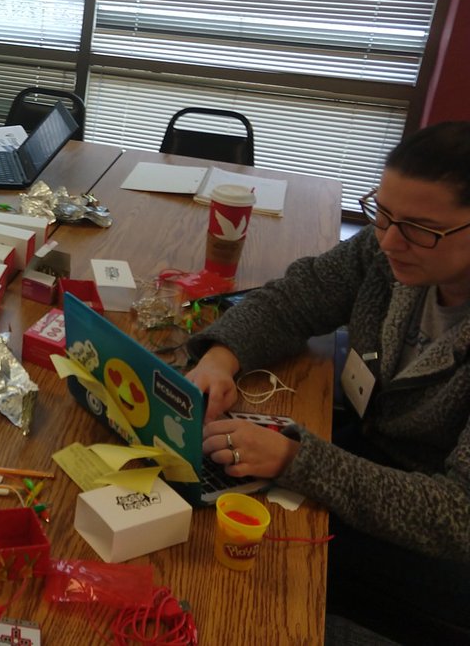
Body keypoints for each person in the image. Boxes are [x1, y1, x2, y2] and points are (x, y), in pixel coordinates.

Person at [186, 121, 470, 641]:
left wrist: (300, 460)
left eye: (419, 228)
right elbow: (299, 295)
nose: (387, 240)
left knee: (230, 571)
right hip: (364, 455)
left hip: (435, 539)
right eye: (381, 213)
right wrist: (220, 359)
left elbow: (457, 515)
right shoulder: (391, 251)